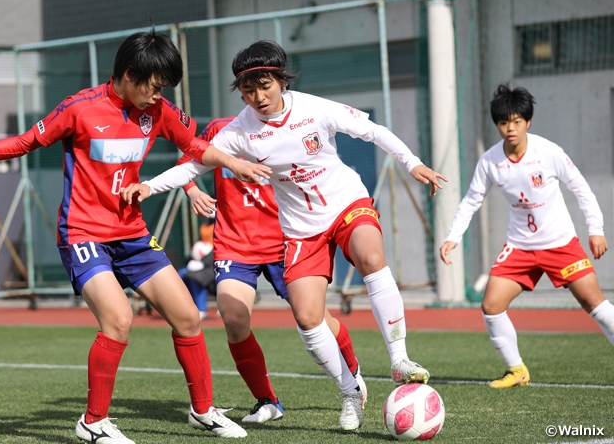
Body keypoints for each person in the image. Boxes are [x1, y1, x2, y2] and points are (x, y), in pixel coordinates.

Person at [120, 40, 446, 431]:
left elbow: (373, 131)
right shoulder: (239, 130)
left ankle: (398, 359)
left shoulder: (314, 109)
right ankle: (349, 392)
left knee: (370, 256)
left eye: (265, 86)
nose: (258, 97)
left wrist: (413, 164)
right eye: (248, 90)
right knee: (308, 319)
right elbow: (193, 165)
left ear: (281, 81)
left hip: (346, 203)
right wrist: (149, 186)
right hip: (300, 229)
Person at [0, 30, 271, 442]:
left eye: (163, 88)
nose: (158, 95)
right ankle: (92, 422)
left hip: (131, 233)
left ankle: (203, 411)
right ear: (129, 75)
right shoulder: (79, 108)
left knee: (187, 317)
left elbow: (195, 146)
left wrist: (228, 166)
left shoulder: (159, 110)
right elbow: (26, 141)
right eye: (153, 86)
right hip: (83, 232)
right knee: (118, 319)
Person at [181, 115, 367, 424]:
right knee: (234, 318)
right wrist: (192, 190)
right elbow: (187, 159)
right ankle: (267, 401)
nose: (259, 97)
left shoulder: (297, 129)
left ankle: (353, 374)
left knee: (316, 317)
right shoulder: (219, 129)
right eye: (250, 89)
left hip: (287, 238)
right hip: (234, 244)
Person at [440, 83, 614, 388]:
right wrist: (453, 237)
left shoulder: (548, 152)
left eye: (517, 121)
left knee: (594, 303)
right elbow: (471, 200)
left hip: (560, 243)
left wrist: (595, 229)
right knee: (491, 305)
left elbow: (581, 188)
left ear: (528, 122)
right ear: (497, 124)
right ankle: (517, 370)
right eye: (504, 122)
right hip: (519, 247)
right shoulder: (490, 161)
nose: (510, 128)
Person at [179, 220, 216, 320]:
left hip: (215, 263)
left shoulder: (221, 224)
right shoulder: (204, 226)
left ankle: (201, 310)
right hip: (202, 261)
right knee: (182, 274)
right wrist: (192, 258)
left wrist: (206, 260)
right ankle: (187, 308)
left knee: (196, 277)